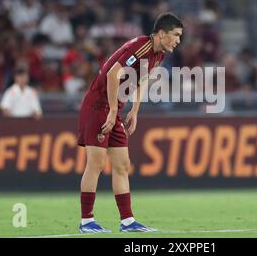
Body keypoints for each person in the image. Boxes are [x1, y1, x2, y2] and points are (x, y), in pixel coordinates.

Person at [77, 13, 183, 233]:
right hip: (98, 107)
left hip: (114, 109)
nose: (178, 40)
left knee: (122, 165)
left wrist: (134, 109)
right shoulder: (141, 46)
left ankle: (127, 222)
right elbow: (113, 75)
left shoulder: (158, 54)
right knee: (95, 164)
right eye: (176, 35)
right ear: (162, 34)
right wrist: (114, 109)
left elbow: (142, 80)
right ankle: (86, 221)